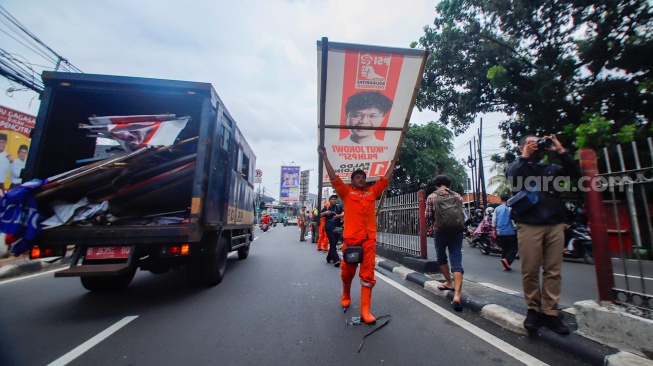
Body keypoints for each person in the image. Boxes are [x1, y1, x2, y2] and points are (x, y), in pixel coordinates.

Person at [506, 134, 580, 335]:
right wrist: (525, 155)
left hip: (555, 223)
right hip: (529, 224)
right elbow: (512, 177)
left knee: (553, 271)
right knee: (530, 270)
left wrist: (560, 150)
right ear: (522, 147)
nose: (537, 145)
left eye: (538, 142)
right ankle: (533, 310)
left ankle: (550, 313)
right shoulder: (518, 167)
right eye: (532, 142)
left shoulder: (551, 168)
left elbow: (574, 172)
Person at [319, 146, 397, 324]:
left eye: (363, 177)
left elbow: (385, 179)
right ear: (352, 181)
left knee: (368, 274)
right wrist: (324, 156)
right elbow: (333, 178)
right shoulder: (346, 192)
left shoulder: (372, 192)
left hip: (369, 240)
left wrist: (393, 163)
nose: (361, 179)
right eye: (357, 177)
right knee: (347, 272)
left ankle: (365, 311)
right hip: (351, 241)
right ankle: (346, 292)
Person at [425, 174, 466, 311]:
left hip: (440, 230)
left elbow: (428, 216)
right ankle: (457, 296)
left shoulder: (432, 196)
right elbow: (462, 213)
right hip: (457, 231)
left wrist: (431, 225)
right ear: (448, 183)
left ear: (436, 184)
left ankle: (449, 282)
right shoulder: (457, 196)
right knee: (456, 258)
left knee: (441, 256)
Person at [493, 193, 518, 271]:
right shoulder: (510, 208)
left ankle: (505, 265)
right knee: (513, 248)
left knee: (504, 248)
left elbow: (494, 220)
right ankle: (507, 260)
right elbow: (513, 220)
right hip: (510, 231)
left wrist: (494, 230)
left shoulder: (497, 209)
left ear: (500, 199)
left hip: (500, 232)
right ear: (508, 199)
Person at [321, 195, 344, 267]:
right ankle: (336, 260)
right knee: (333, 242)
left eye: (335, 199)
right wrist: (325, 213)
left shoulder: (339, 207)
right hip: (329, 228)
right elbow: (318, 215)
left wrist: (339, 216)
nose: (334, 200)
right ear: (329, 200)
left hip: (337, 228)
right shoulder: (326, 208)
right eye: (332, 199)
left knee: (334, 244)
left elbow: (343, 213)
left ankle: (329, 258)